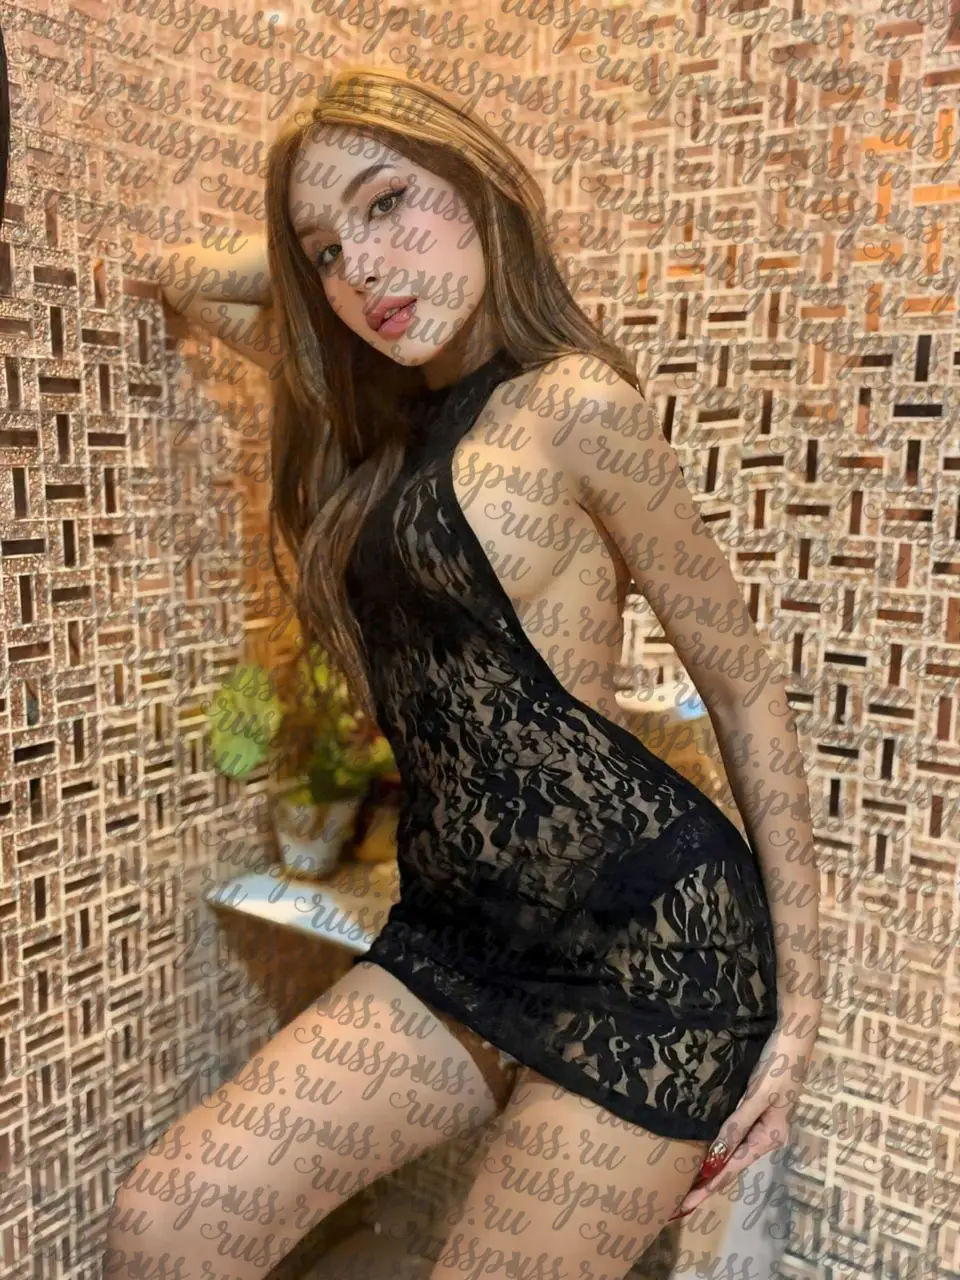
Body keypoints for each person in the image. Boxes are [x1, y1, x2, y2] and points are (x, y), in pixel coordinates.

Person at [106, 67, 822, 1280]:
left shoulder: (577, 405)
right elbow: (185, 277)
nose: (364, 268)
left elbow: (745, 684)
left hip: (652, 951)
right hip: (459, 933)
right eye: (327, 249)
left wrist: (801, 1012)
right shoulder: (374, 426)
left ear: (479, 184)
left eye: (391, 202)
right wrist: (318, 242)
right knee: (167, 1222)